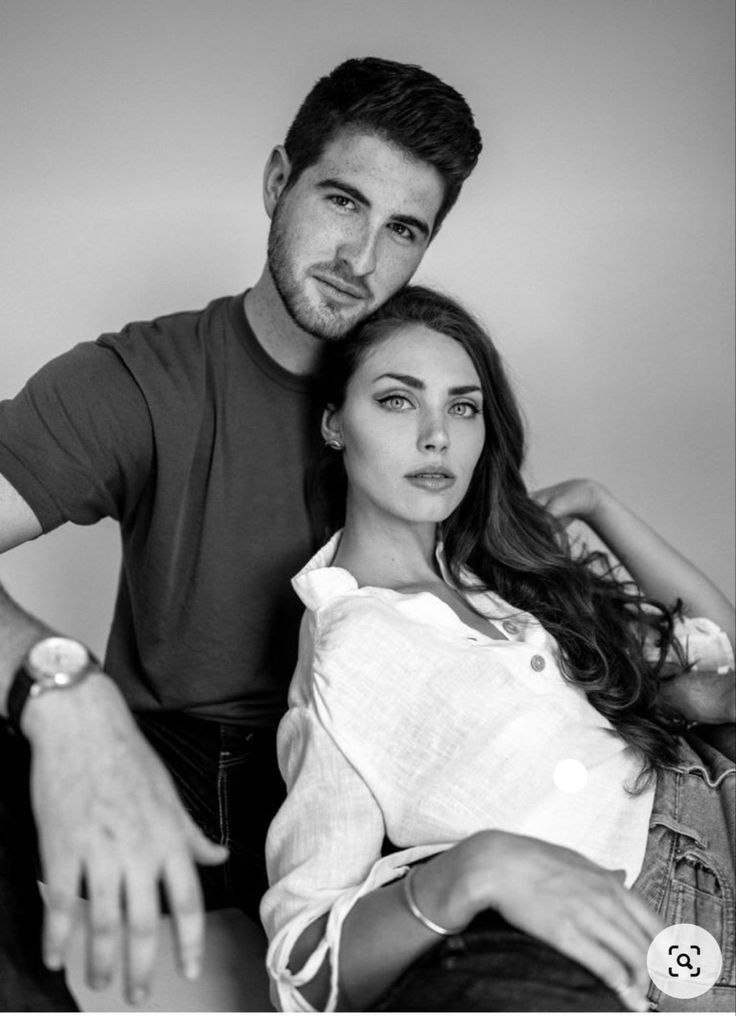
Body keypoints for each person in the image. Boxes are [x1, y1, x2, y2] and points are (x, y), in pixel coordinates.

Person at [0, 59, 482, 1009]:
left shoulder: (436, 400)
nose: (361, 257)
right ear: (276, 184)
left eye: (403, 230)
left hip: (374, 781)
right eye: (342, 201)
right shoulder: (139, 380)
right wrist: (61, 689)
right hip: (167, 769)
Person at [261, 285, 735, 1012]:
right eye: (396, 400)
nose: (436, 437)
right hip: (647, 921)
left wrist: (594, 500)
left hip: (713, 798)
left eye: (462, 406)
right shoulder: (340, 655)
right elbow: (302, 964)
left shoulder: (504, 578)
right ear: (333, 423)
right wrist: (476, 868)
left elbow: (722, 657)